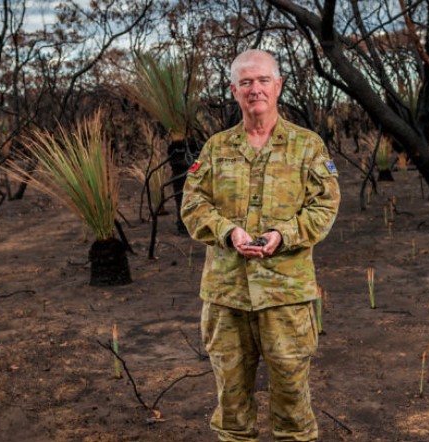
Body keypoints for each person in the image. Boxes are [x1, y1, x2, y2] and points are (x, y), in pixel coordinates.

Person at [180, 49, 341, 441]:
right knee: (232, 404)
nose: (255, 90)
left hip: (285, 295)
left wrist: (284, 234)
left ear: (278, 86)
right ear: (233, 90)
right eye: (246, 82)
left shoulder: (308, 146)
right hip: (227, 295)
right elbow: (192, 204)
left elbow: (325, 205)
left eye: (263, 80)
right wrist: (227, 231)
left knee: (291, 400)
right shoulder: (216, 148)